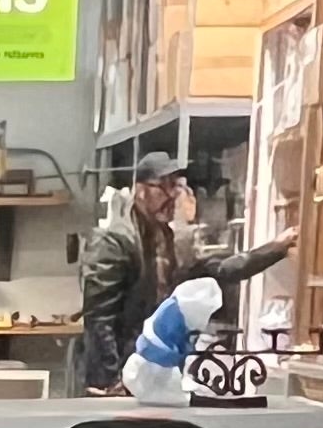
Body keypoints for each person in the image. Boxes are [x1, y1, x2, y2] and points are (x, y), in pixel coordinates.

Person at [77, 152, 293, 392]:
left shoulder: (170, 241)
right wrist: (109, 381)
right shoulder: (114, 241)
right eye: (163, 186)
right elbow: (99, 321)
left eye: (175, 186)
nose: (171, 196)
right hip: (121, 375)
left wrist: (276, 249)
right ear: (140, 190)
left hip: (153, 371)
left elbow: (220, 270)